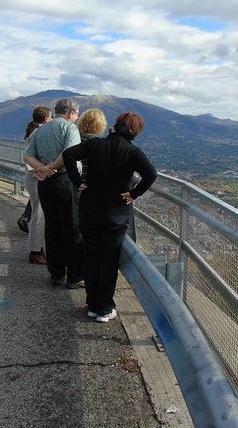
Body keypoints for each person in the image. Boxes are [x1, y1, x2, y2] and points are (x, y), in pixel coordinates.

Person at [60, 112, 157, 322]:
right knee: (108, 259)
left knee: (91, 254)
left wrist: (78, 183)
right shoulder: (133, 152)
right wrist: (133, 194)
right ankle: (105, 307)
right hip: (115, 211)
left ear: (115, 126)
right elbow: (151, 174)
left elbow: (68, 155)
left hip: (89, 208)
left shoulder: (95, 145)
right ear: (134, 132)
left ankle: (93, 304)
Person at [24, 98, 84, 288]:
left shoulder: (40, 129)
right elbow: (70, 152)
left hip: (45, 184)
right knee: (72, 229)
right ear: (70, 112)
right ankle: (74, 276)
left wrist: (43, 168)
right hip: (65, 181)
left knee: (52, 228)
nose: (76, 117)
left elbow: (27, 155)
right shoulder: (70, 128)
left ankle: (56, 273)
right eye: (76, 114)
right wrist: (52, 168)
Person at [21, 106, 52, 264]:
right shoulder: (40, 132)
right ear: (46, 118)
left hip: (32, 175)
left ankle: (37, 249)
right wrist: (46, 167)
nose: (52, 119)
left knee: (37, 213)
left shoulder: (31, 130)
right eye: (51, 116)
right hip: (36, 176)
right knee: (39, 215)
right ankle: (35, 251)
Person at [75, 108, 107, 184]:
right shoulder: (92, 140)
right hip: (87, 181)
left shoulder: (76, 136)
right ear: (99, 124)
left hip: (74, 179)